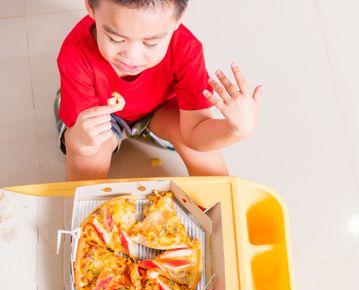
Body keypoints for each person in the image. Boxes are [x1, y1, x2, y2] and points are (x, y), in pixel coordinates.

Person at [55, 0, 262, 180]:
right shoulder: (75, 54)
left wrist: (235, 130)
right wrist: (82, 142)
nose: (132, 57)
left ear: (177, 19)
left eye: (151, 43)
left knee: (206, 158)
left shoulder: (187, 49)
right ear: (91, 7)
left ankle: (219, 217)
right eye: (116, 39)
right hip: (99, 109)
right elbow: (80, 145)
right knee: (89, 157)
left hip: (161, 108)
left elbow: (195, 135)